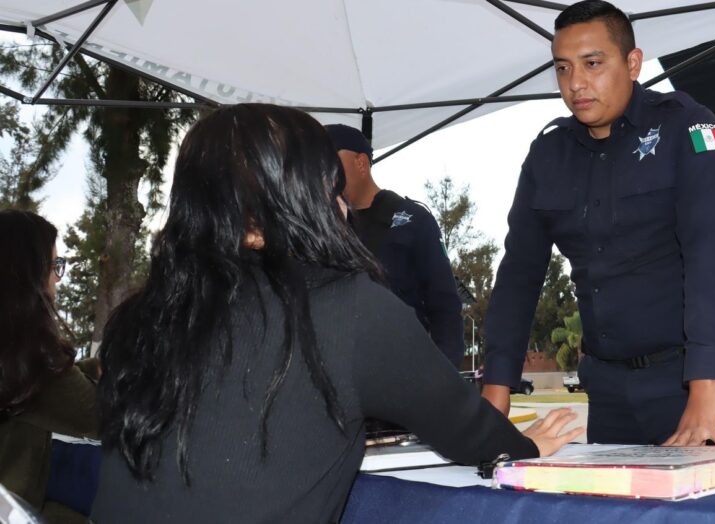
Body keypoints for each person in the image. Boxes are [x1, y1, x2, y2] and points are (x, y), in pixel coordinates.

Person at [91, 104, 582, 523]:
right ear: (280, 209)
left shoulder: (143, 318)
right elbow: (466, 429)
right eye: (329, 190)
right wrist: (523, 447)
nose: (343, 206)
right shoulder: (350, 309)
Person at [481, 0, 715, 447]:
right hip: (609, 388)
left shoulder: (687, 128)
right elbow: (518, 277)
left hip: (690, 381)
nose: (576, 83)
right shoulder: (548, 155)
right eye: (563, 68)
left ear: (633, 63)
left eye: (592, 64)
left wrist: (706, 393)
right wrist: (495, 396)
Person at [324, 124, 465, 368]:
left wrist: (443, 377)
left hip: (404, 370)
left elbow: (445, 307)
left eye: (330, 162)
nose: (323, 173)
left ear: (361, 164)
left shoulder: (412, 220)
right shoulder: (323, 230)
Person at [0, 209, 100, 524]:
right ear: (28, 275)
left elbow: (57, 386)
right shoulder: (24, 350)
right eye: (54, 266)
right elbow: (97, 413)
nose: (57, 278)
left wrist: (95, 367)